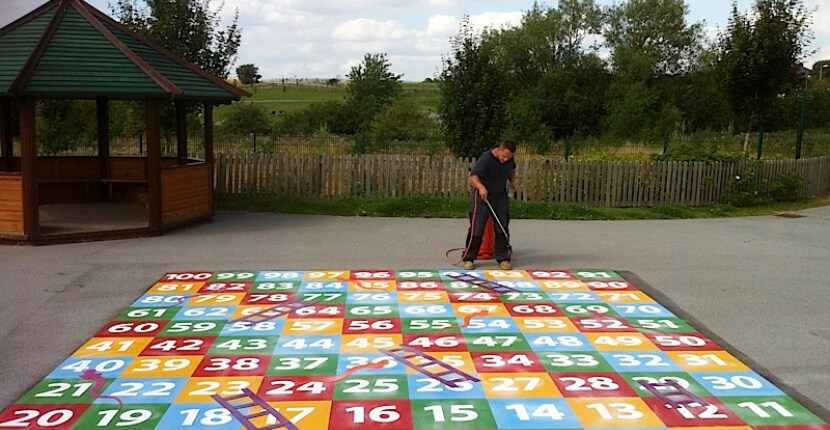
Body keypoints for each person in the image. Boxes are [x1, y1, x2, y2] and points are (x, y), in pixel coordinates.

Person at [461, 140, 517, 270]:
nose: (505, 159)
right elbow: (472, 178)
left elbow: (512, 168)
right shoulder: (486, 159)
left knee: (502, 226)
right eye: (504, 156)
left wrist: (512, 181)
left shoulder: (509, 159)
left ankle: (503, 258)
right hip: (483, 196)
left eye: (508, 157)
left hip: (500, 196)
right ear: (499, 150)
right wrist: (481, 187)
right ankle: (469, 257)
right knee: (477, 228)